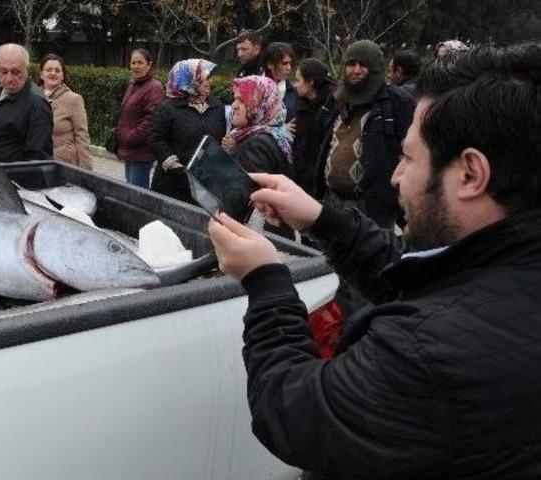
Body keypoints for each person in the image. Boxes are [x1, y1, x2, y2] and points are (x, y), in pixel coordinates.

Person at [208, 42, 541, 479]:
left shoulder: (427, 355)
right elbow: (426, 273)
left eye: (407, 157)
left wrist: (267, 282)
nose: (396, 175)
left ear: (470, 175)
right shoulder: (508, 266)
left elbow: (297, 413)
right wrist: (324, 220)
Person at [314, 40, 415, 229]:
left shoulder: (396, 102)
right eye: (351, 64)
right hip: (332, 200)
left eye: (363, 65)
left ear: (376, 68)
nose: (356, 70)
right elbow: (320, 133)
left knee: (369, 256)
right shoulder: (339, 97)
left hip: (371, 206)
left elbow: (412, 153)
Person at [149, 59, 226, 203]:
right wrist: (176, 167)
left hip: (204, 186)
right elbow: (156, 139)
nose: (210, 82)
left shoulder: (217, 107)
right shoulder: (168, 107)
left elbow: (218, 140)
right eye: (205, 78)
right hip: (172, 184)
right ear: (189, 79)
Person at [0, 44, 53, 163]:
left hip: (11, 179)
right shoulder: (1, 91)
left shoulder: (37, 105)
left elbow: (38, 160)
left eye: (15, 72)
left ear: (26, 68)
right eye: (4, 71)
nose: (9, 79)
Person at [115, 48, 164, 188]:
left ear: (149, 65)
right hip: (130, 149)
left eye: (140, 62)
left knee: (138, 194)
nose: (136, 66)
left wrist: (130, 137)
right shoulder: (133, 85)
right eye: (133, 62)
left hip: (141, 152)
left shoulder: (154, 87)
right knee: (131, 189)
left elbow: (151, 120)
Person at [38, 54, 92, 169]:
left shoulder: (74, 99)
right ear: (41, 74)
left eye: (57, 70)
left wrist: (87, 173)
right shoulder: (33, 98)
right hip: (38, 164)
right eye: (48, 70)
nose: (53, 73)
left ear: (63, 75)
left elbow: (82, 137)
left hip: (64, 167)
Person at [292, 58, 337, 195]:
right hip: (301, 177)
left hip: (320, 183)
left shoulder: (332, 108)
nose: (295, 85)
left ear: (311, 82)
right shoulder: (302, 104)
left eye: (298, 80)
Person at [262, 42, 297, 123]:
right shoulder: (254, 88)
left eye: (290, 63)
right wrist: (279, 129)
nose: (289, 68)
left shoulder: (293, 91)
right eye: (284, 63)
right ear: (270, 64)